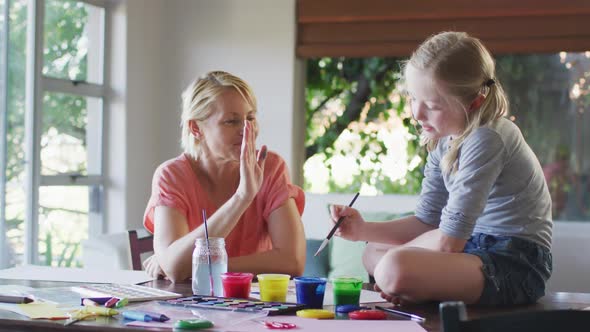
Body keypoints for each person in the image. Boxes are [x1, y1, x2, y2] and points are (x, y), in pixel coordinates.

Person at [329, 32, 552, 306]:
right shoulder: (442, 140)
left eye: (433, 105)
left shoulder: (486, 137)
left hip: (513, 262)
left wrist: (398, 258)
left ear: (475, 102)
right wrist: (362, 230)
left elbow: (449, 242)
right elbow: (427, 221)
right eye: (413, 98)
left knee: (393, 266)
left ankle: (408, 285)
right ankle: (412, 286)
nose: (417, 114)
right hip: (470, 249)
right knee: (371, 252)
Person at [143, 70, 306, 282]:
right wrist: (242, 197)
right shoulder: (171, 176)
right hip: (193, 307)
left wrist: (200, 264)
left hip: (256, 305)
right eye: (231, 121)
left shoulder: (270, 167)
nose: (246, 130)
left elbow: (292, 262)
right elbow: (176, 269)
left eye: (250, 118)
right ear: (196, 128)